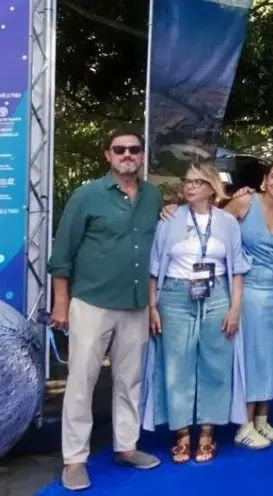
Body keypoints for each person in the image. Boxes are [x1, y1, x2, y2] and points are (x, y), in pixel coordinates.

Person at [48, 130, 163, 491]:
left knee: (130, 381)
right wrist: (61, 301)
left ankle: (126, 447)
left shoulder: (153, 196)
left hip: (135, 305)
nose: (127, 154)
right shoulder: (87, 196)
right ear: (108, 156)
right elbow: (62, 253)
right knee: (82, 382)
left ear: (142, 156)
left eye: (134, 149)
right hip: (92, 302)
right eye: (120, 150)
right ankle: (75, 460)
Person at [143, 163, 250, 464]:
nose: (189, 187)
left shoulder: (227, 222)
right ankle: (181, 434)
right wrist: (153, 307)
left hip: (217, 295)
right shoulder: (169, 219)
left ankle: (207, 432)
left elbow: (238, 269)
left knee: (216, 363)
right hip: (175, 296)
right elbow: (153, 270)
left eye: (196, 182)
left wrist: (235, 308)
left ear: (211, 188)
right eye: (186, 181)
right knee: (177, 365)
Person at [221, 161, 273, 449]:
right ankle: (244, 424)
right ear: (265, 179)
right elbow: (213, 224)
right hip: (249, 289)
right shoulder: (244, 202)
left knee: (272, 353)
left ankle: (263, 419)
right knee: (251, 355)